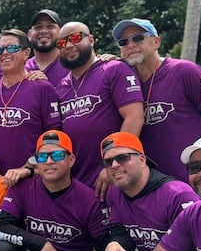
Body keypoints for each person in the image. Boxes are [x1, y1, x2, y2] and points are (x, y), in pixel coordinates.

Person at [111, 17, 201, 182]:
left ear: (156, 42)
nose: (130, 45)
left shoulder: (185, 71)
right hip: (147, 185)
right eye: (123, 42)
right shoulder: (122, 82)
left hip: (192, 182)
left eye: (138, 38)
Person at [54, 22, 144, 197]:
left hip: (113, 178)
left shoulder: (114, 70)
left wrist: (112, 164)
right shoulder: (61, 87)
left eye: (75, 38)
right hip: (77, 183)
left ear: (91, 40)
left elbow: (135, 117)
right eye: (62, 43)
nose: (69, 45)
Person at [0, 29, 60, 178]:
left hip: (33, 179)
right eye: (0, 50)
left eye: (12, 48)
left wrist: (29, 166)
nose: (5, 53)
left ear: (26, 53)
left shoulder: (42, 88)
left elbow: (54, 137)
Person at [25, 9, 68, 87]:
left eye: (50, 26)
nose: (43, 31)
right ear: (29, 35)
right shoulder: (22, 69)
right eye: (38, 27)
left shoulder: (72, 66)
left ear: (61, 33)